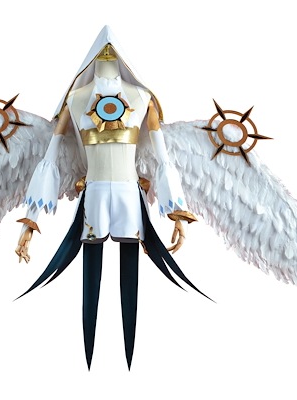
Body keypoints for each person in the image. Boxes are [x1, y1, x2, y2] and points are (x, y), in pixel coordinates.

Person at [15, 26, 204, 369]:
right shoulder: (75, 98)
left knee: (129, 281)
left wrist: (177, 213)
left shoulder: (143, 98)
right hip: (95, 194)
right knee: (91, 280)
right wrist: (31, 221)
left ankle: (129, 358)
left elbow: (164, 160)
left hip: (129, 194)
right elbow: (50, 160)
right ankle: (88, 358)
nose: (107, 54)